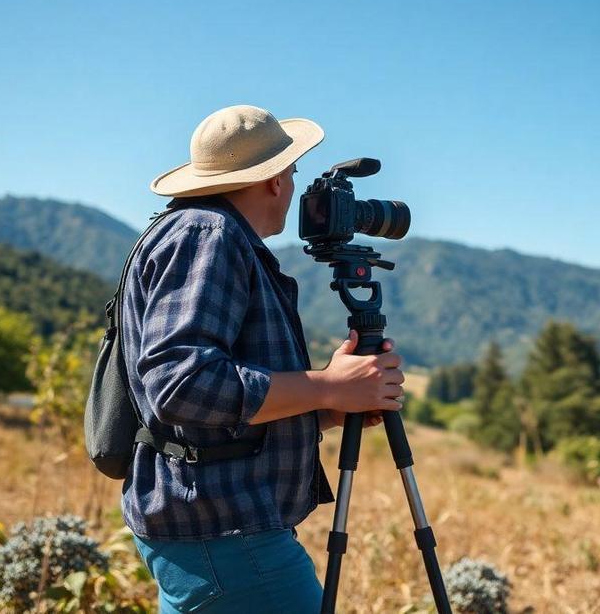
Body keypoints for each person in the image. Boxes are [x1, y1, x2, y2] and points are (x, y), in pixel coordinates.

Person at [123, 105, 406, 613]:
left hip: (215, 531)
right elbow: (181, 386)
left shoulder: (200, 233)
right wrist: (326, 385)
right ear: (274, 179)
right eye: (293, 173)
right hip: (229, 535)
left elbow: (208, 414)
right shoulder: (209, 236)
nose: (295, 188)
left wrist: (329, 407)